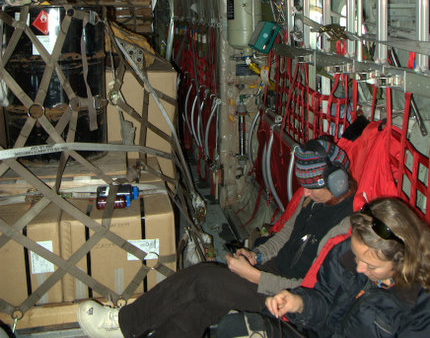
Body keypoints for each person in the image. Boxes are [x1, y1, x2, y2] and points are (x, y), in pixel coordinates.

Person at [77, 136, 356, 338]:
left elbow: (312, 291)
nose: (304, 193)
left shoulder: (345, 228)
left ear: (337, 182)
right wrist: (257, 256)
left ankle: (122, 324)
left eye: (311, 187)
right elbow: (283, 237)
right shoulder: (314, 202)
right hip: (270, 273)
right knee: (207, 298)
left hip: (288, 298)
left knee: (204, 278)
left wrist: (254, 276)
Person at [216, 197, 430, 338]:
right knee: (231, 328)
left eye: (372, 266)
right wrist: (299, 303)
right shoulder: (344, 253)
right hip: (314, 333)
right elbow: (325, 300)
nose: (359, 269)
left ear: (403, 260)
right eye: (357, 257)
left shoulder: (419, 306)